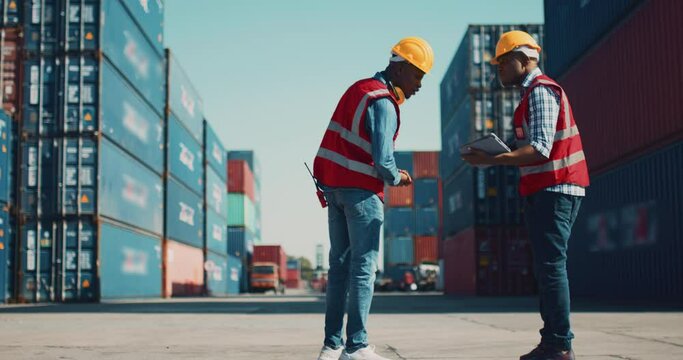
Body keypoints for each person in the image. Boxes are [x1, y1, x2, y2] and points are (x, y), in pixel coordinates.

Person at [462, 30, 589, 360]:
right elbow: (526, 147)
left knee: (551, 266)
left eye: (503, 61)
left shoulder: (541, 92)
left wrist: (492, 159)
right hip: (546, 188)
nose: (498, 69)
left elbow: (541, 149)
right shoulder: (529, 96)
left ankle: (559, 344)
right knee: (546, 267)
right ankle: (552, 341)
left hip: (556, 186)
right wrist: (493, 152)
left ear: (525, 58)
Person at [312, 37, 434, 360]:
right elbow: (383, 161)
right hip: (362, 194)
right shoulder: (384, 102)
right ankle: (356, 346)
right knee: (363, 269)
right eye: (418, 76)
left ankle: (331, 345)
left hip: (334, 189)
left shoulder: (359, 89)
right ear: (402, 66)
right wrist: (399, 177)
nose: (419, 86)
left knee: (338, 268)